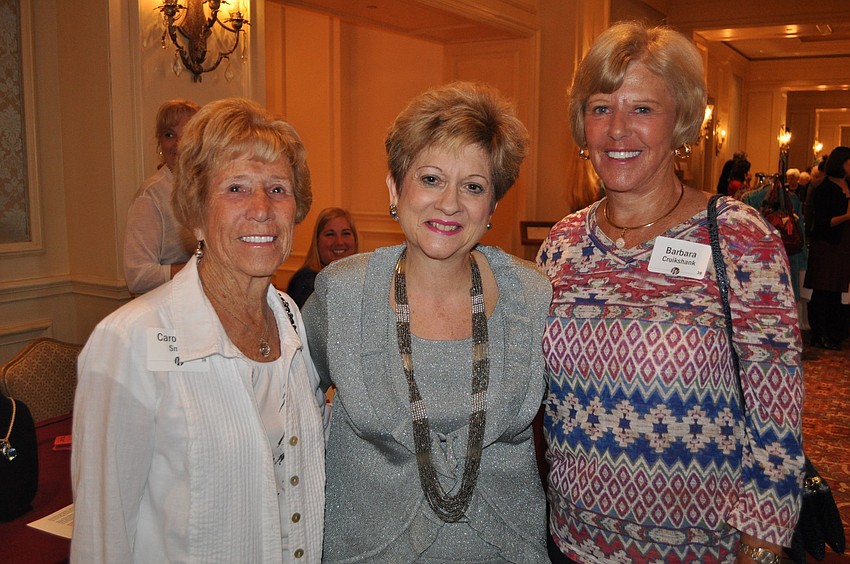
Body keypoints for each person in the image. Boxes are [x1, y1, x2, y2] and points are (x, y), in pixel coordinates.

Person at [538, 21, 803, 563]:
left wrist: (764, 543)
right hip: (572, 542)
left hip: (702, 549)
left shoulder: (736, 235)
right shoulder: (562, 244)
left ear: (680, 121)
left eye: (642, 109)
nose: (617, 130)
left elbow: (776, 414)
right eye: (600, 107)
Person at [302, 82, 551, 562]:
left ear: (493, 205)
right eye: (432, 179)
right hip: (367, 550)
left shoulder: (533, 296)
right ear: (395, 188)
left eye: (473, 186)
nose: (450, 203)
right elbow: (288, 406)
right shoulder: (342, 294)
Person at [72, 98, 328, 563]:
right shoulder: (130, 340)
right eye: (235, 188)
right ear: (196, 212)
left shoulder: (290, 316)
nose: (261, 209)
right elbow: (101, 540)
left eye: (277, 189)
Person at [124, 99, 201, 294]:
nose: (178, 144)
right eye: (170, 135)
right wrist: (203, 271)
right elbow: (137, 277)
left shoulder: (212, 187)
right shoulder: (151, 195)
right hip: (167, 313)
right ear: (160, 142)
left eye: (188, 135)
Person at [803, 145, 850, 350]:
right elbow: (822, 222)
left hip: (843, 245)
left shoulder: (848, 185)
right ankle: (819, 332)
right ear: (842, 164)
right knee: (823, 290)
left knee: (837, 291)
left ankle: (835, 333)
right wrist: (847, 216)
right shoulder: (823, 189)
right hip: (827, 244)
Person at [287, 207, 358, 307]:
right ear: (317, 241)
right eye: (330, 234)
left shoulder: (361, 278)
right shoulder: (307, 282)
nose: (339, 242)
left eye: (346, 233)